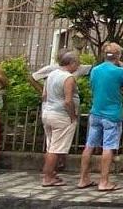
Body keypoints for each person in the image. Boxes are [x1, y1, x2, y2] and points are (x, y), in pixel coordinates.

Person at [77, 42, 123, 192]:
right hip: (112, 114)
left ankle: (83, 179)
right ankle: (104, 181)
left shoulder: (95, 70)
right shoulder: (120, 71)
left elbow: (93, 86)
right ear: (118, 55)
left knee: (89, 145)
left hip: (96, 112)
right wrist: (121, 67)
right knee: (108, 147)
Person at [41, 53, 80, 187]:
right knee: (56, 149)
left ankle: (51, 173)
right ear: (72, 63)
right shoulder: (68, 78)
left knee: (50, 145)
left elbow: (44, 95)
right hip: (61, 115)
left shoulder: (51, 74)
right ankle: (47, 177)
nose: (79, 65)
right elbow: (68, 101)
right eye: (77, 62)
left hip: (48, 112)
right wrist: (72, 116)